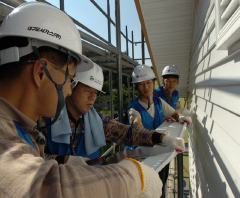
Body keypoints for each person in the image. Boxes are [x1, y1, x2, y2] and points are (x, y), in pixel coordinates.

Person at [0, 2, 164, 197]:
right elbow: (42, 188)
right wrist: (133, 176)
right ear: (41, 73)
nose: (70, 91)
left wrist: (158, 138)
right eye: (70, 80)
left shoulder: (21, 130)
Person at [38, 62, 185, 162]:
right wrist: (63, 161)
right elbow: (32, 157)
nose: (92, 98)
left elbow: (127, 133)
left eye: (96, 93)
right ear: (71, 88)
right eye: (87, 91)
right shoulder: (47, 121)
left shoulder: (97, 121)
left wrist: (161, 138)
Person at [126, 65, 191, 198]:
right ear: (136, 87)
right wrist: (164, 138)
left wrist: (182, 117)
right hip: (142, 158)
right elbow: (138, 127)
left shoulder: (158, 101)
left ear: (153, 82)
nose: (146, 87)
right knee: (148, 191)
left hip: (161, 152)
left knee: (162, 184)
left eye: (149, 82)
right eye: (141, 84)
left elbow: (174, 113)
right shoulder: (134, 109)